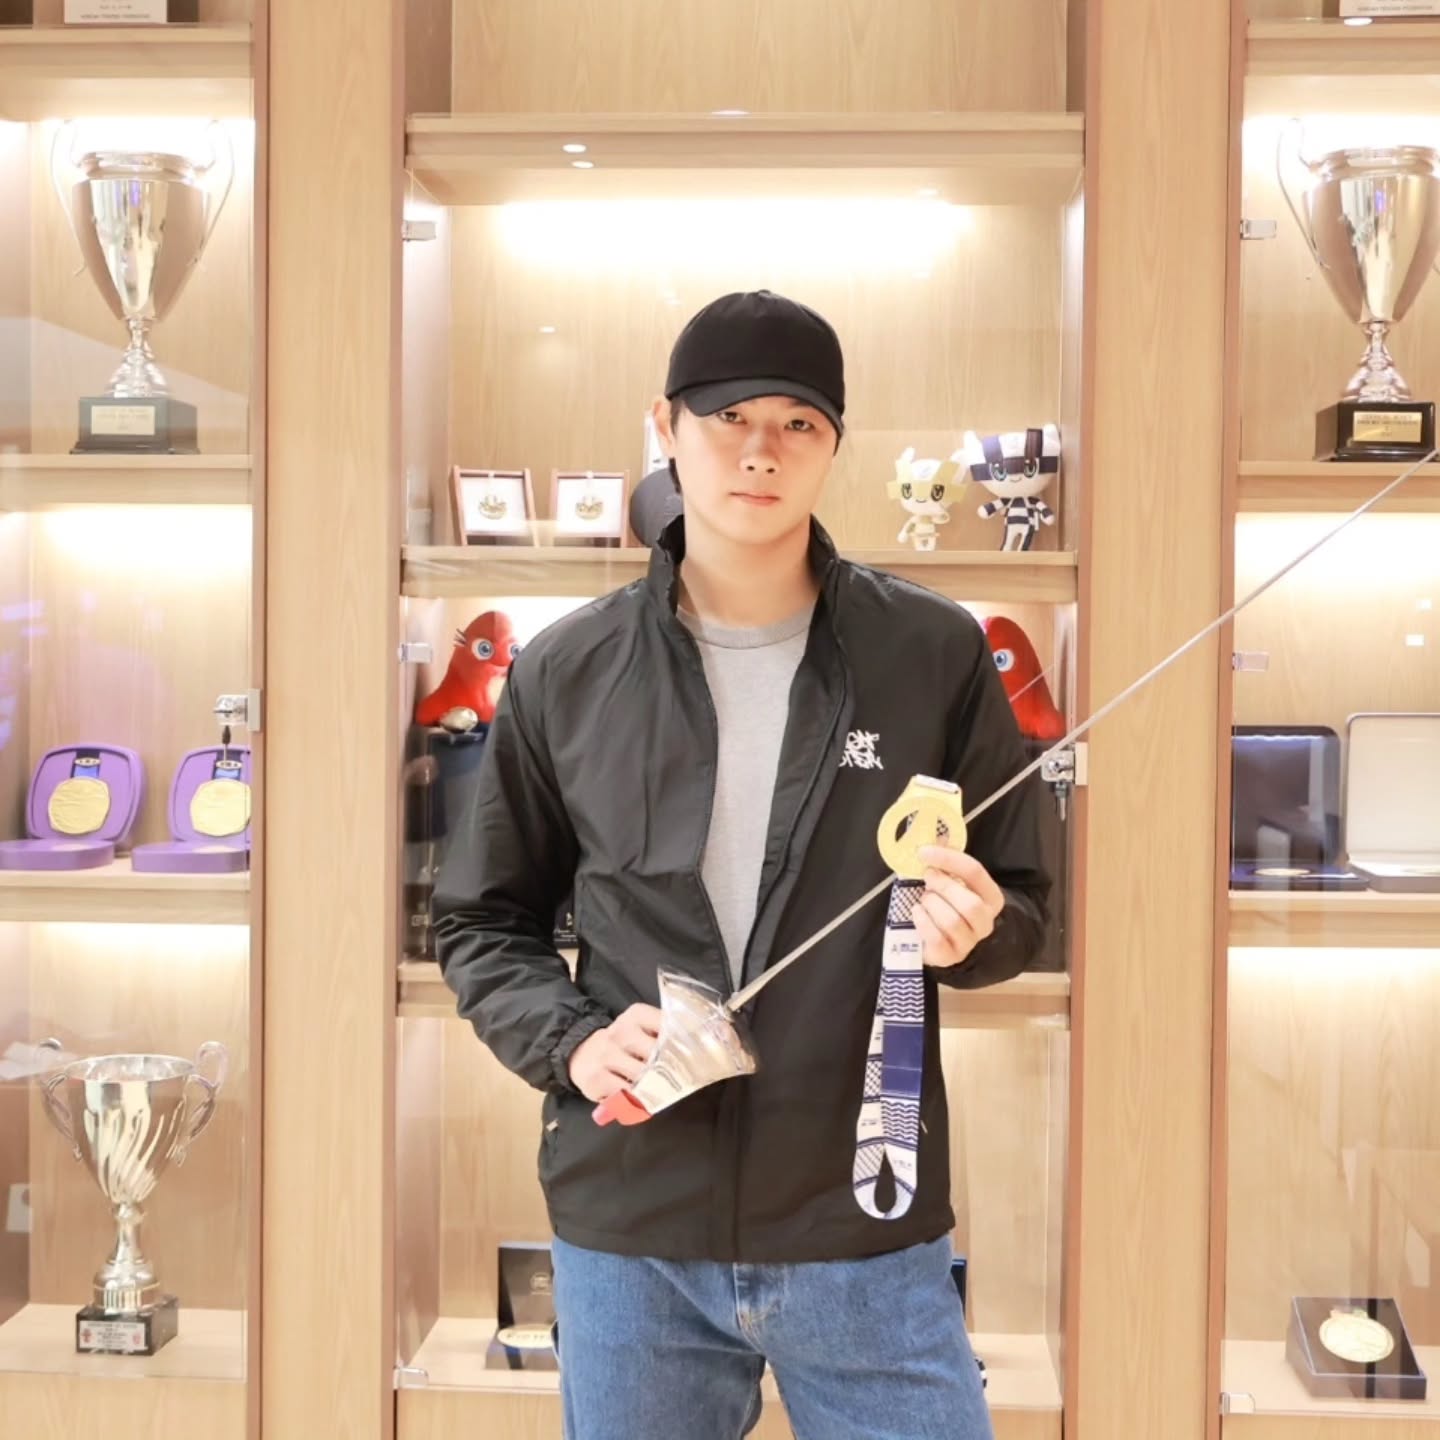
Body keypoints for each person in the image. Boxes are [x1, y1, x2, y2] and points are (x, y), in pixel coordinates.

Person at [433, 289, 1051, 1440]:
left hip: (863, 1226)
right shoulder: (566, 670)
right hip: (634, 1233)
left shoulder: (933, 652)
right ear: (664, 426)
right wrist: (574, 1043)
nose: (761, 452)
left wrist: (976, 930)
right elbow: (480, 922)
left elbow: (1024, 906)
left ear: (834, 446)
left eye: (798, 424)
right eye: (729, 419)